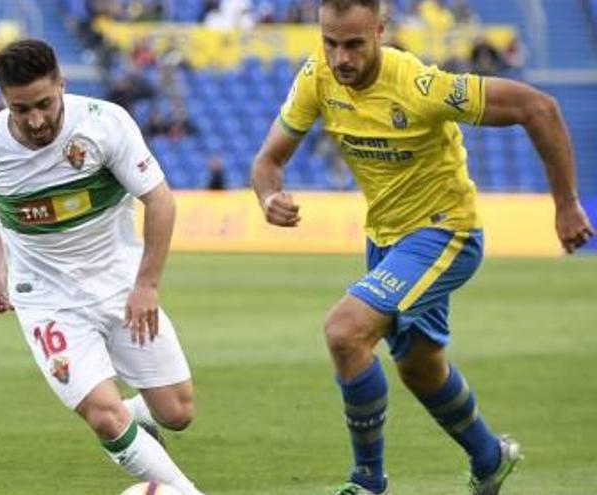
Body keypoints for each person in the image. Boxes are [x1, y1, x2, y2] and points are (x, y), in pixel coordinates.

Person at [250, 1, 594, 494]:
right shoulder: (317, 79)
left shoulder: (419, 86)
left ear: (380, 32)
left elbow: (537, 107)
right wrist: (268, 197)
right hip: (385, 239)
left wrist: (565, 205)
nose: (340, 58)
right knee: (419, 367)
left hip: (444, 231)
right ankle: (490, 457)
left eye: (353, 44)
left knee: (345, 333)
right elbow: (267, 161)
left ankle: (367, 483)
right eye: (330, 43)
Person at [0, 39, 203, 494]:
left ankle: (134, 417)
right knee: (103, 416)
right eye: (21, 110)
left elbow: (160, 200)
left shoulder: (105, 124)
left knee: (177, 413)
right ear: (3, 100)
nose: (36, 120)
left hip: (120, 285)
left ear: (62, 85)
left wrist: (147, 286)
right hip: (46, 299)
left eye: (44, 104)